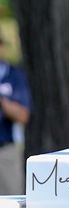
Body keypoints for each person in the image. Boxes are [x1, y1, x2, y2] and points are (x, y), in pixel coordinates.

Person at [0, 30, 31, 195]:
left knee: (10, 201)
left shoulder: (14, 76)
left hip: (6, 151)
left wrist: (3, 102)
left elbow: (23, 115)